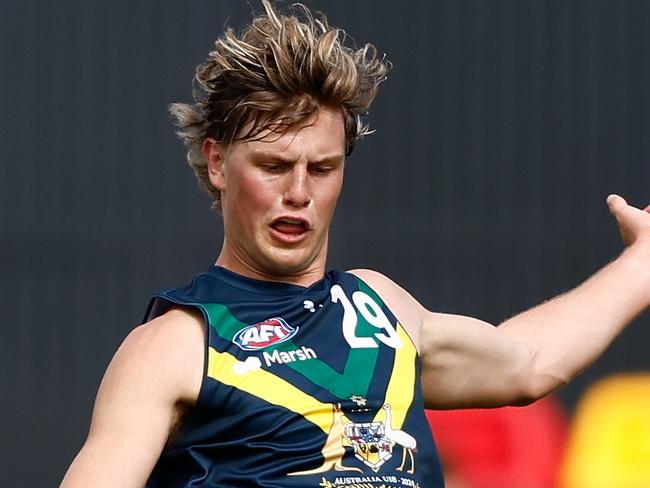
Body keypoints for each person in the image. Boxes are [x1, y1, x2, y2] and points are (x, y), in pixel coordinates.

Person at [60, 2, 650, 487]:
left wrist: (642, 264)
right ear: (217, 161)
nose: (298, 192)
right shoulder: (176, 344)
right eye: (273, 165)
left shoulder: (377, 305)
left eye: (322, 168)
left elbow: (530, 363)